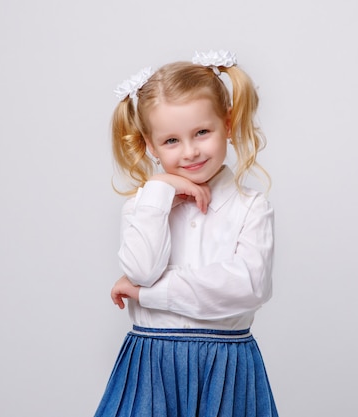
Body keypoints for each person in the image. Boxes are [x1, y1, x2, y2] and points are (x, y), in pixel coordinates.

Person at [94, 50, 278, 417]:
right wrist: (159, 188)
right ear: (150, 145)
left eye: (202, 132)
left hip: (227, 366)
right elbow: (143, 269)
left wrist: (150, 295)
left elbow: (249, 287)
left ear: (227, 124)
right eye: (171, 141)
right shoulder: (142, 208)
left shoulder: (250, 206)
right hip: (152, 366)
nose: (190, 151)